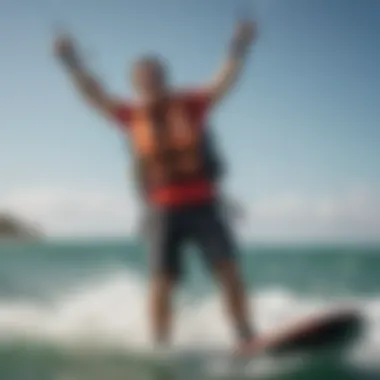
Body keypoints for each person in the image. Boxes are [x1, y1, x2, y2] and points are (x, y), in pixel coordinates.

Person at [54, 18, 257, 352]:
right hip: (161, 210)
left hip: (204, 205)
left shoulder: (191, 105)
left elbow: (225, 80)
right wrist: (71, 62)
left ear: (164, 78)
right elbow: (93, 94)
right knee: (161, 282)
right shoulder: (131, 115)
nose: (149, 82)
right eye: (142, 79)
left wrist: (239, 46)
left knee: (229, 271)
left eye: (155, 76)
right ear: (135, 84)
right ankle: (161, 347)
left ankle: (245, 336)